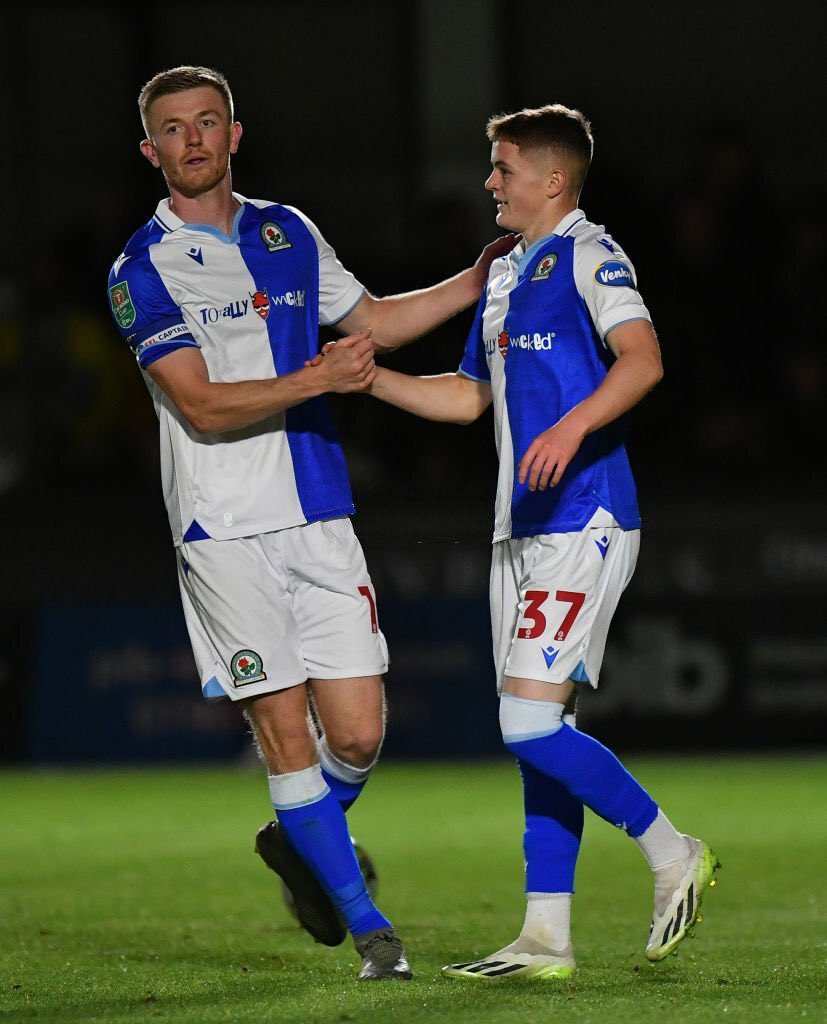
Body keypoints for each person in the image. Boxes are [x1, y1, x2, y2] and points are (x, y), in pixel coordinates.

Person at [106, 65, 513, 982]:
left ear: (235, 134)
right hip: (221, 528)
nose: (193, 139)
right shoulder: (141, 268)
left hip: (318, 508)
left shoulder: (288, 230)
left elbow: (373, 322)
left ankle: (297, 840)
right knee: (286, 737)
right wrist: (317, 379)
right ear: (150, 150)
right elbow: (200, 406)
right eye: (173, 128)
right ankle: (374, 935)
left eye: (207, 121)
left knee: (358, 736)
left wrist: (474, 278)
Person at [366, 104, 720, 980]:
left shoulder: (590, 253)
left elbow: (642, 359)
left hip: (583, 517)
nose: (489, 181)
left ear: (553, 179)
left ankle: (672, 851)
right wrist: (368, 380)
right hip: (517, 529)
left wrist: (570, 426)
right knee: (541, 729)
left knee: (524, 723)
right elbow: (467, 397)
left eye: (503, 167)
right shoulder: (505, 274)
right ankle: (544, 937)